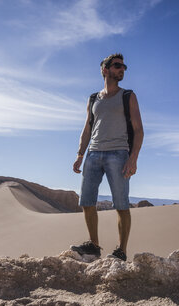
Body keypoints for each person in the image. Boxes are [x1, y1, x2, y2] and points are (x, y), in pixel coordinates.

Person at [71, 53, 144, 261]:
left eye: (123, 67)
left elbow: (139, 130)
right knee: (86, 201)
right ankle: (94, 246)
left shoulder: (128, 96)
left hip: (118, 153)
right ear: (105, 70)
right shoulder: (93, 98)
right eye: (117, 66)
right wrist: (80, 154)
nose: (122, 69)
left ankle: (121, 251)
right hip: (93, 154)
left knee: (121, 204)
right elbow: (87, 128)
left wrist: (133, 158)